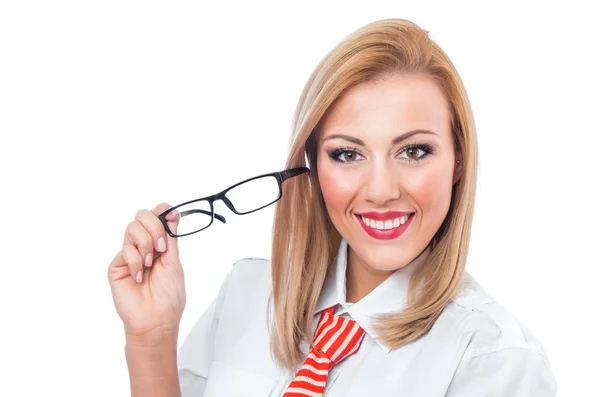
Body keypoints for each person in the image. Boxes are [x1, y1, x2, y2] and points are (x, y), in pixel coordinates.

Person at [108, 18, 557, 397]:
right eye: (347, 154)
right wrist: (151, 340)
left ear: (458, 159)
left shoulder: (496, 360)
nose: (380, 191)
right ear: (312, 165)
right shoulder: (246, 294)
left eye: (414, 151)